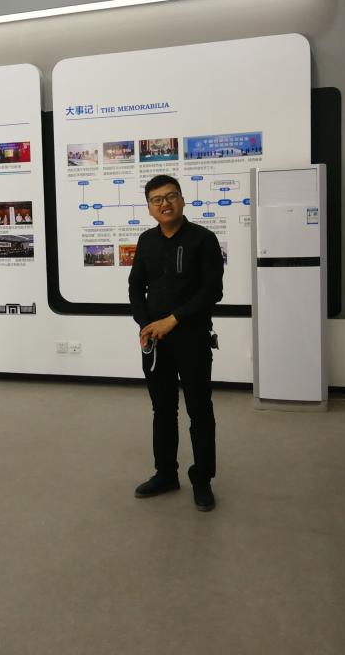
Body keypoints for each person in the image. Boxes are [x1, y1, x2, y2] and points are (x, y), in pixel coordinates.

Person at [128, 175, 224, 511]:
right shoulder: (146, 241)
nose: (164, 204)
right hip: (156, 342)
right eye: (157, 200)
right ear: (149, 208)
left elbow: (212, 291)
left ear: (182, 200)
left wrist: (173, 320)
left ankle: (202, 479)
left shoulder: (203, 240)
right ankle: (166, 473)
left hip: (192, 338)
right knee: (163, 409)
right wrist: (145, 324)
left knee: (199, 409)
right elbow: (135, 287)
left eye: (170, 196)